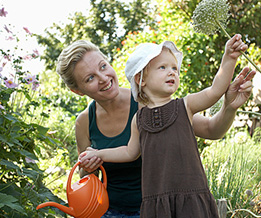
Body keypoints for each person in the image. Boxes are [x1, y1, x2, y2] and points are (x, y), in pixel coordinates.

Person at [79, 35, 251, 217]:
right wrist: (98, 154)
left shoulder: (185, 105)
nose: (172, 72)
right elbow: (129, 152)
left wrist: (229, 58)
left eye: (174, 68)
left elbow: (215, 90)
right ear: (140, 79)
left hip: (190, 200)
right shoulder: (139, 119)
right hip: (157, 204)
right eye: (163, 67)